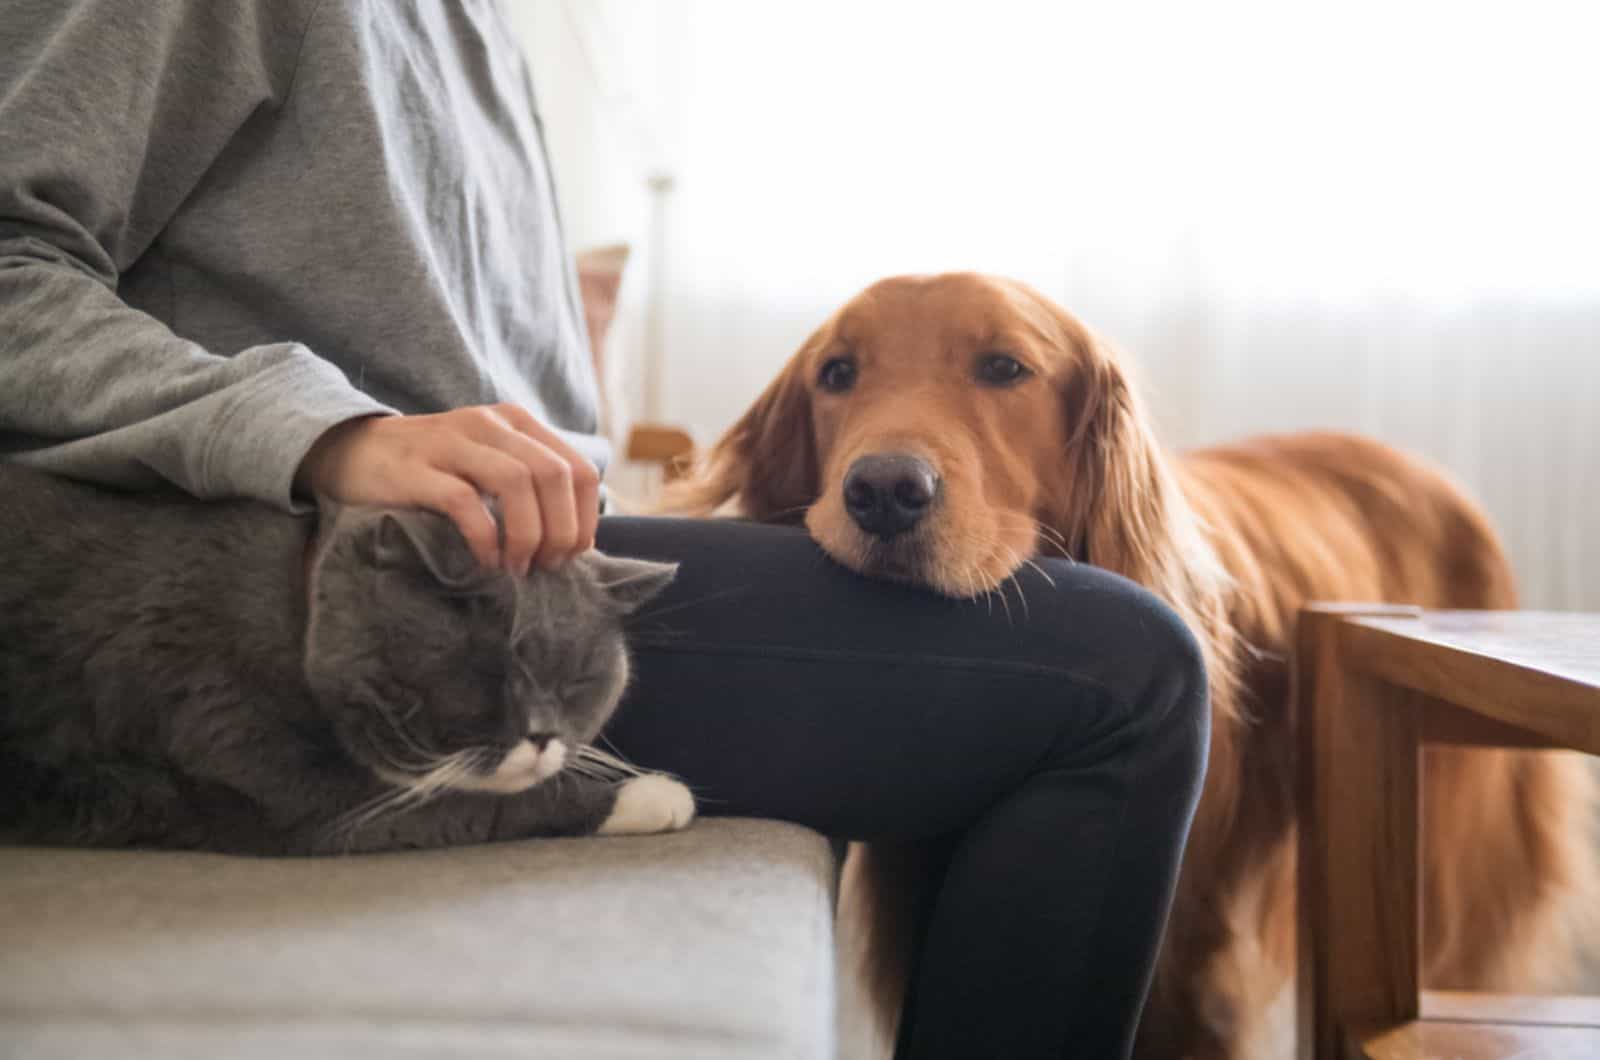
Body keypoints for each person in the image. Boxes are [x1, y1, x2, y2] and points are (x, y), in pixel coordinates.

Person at [0, 3, 1208, 1057]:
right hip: (303, 591)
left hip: (523, 571)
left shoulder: (483, 30)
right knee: (1122, 672)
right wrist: (332, 436)